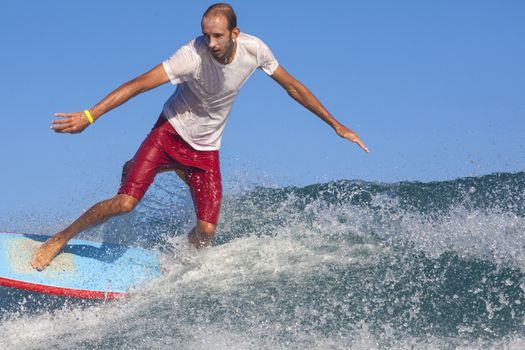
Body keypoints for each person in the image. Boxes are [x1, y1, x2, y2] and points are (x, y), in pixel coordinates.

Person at [31, 3, 369, 271]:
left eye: (219, 36)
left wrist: (335, 124)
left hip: (206, 151)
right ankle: (60, 238)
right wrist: (91, 115)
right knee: (125, 203)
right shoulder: (190, 56)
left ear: (235, 33)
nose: (212, 43)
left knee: (206, 231)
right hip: (169, 134)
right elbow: (138, 84)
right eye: (206, 35)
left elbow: (293, 87)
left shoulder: (256, 50)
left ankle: (176, 267)